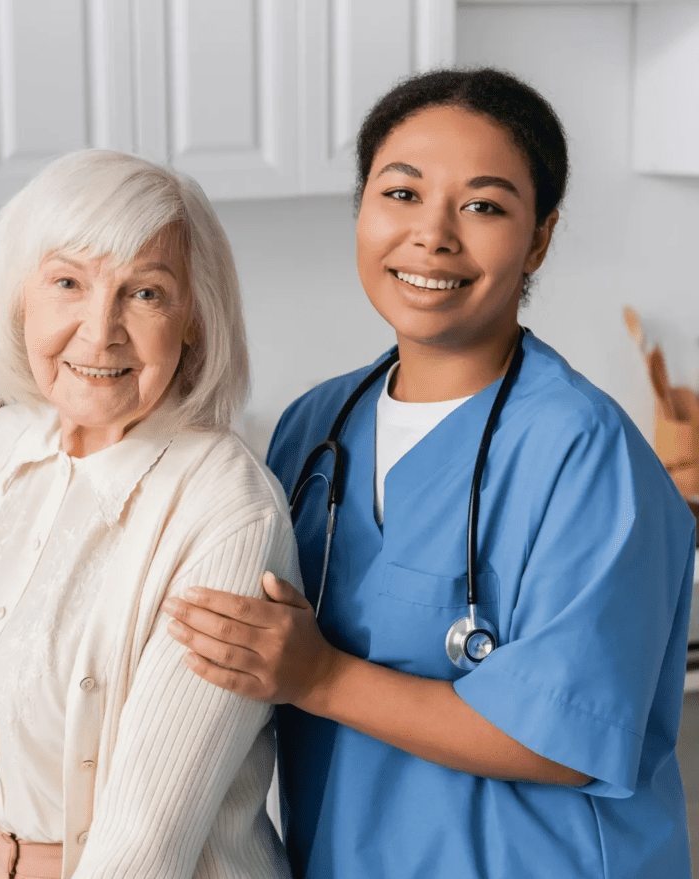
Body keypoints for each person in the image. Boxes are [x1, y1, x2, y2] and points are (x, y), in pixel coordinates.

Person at [163, 68, 695, 878]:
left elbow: (559, 738)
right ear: (363, 208)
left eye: (483, 205)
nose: (433, 235)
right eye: (401, 193)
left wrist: (320, 674)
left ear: (539, 239)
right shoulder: (314, 430)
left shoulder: (585, 454)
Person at [0, 149, 298, 879]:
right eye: (68, 282)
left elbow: (144, 841)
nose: (101, 332)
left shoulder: (228, 510)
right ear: (20, 298)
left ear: (193, 318)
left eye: (146, 293)